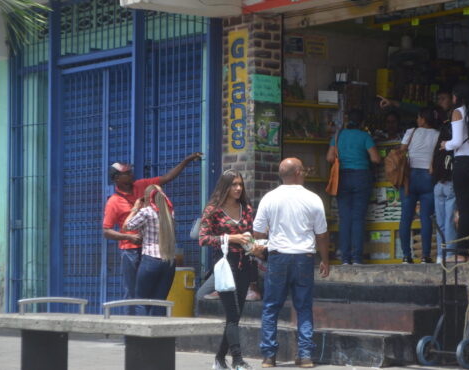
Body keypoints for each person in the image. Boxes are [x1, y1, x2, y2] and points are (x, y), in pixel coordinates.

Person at [103, 153, 201, 315]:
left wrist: (186, 161)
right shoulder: (113, 201)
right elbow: (106, 231)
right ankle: (132, 333)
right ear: (116, 178)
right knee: (134, 294)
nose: (131, 174)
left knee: (155, 295)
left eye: (130, 171)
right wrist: (129, 237)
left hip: (151, 252)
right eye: (126, 173)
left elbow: (167, 178)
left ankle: (153, 332)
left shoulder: (142, 186)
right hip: (131, 251)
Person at [254, 158, 330, 368]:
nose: (305, 172)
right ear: (297, 172)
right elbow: (321, 235)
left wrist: (261, 253)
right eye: (303, 169)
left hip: (278, 256)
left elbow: (258, 232)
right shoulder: (313, 198)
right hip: (304, 257)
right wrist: (325, 260)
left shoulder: (269, 198)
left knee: (271, 307)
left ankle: (269, 357)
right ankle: (305, 356)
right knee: (304, 307)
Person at [199, 169, 264, 370]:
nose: (237, 188)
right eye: (234, 184)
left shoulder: (246, 208)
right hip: (226, 266)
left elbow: (251, 235)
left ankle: (219, 359)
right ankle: (237, 360)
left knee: (234, 316)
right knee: (233, 313)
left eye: (240, 184)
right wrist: (231, 238)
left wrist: (256, 246)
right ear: (225, 187)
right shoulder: (213, 210)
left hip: (245, 265)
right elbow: (203, 239)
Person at [326, 109, 381, 265]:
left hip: (342, 177)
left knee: (345, 218)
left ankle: (345, 259)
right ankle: (357, 258)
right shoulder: (365, 136)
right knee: (358, 218)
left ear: (347, 120)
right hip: (361, 177)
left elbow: (329, 157)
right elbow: (376, 159)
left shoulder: (338, 136)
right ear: (362, 123)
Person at [123, 185, 176, 316]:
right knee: (160, 301)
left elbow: (126, 226)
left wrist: (135, 208)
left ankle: (142, 336)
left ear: (147, 197)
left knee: (142, 300)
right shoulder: (170, 212)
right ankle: (160, 335)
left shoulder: (146, 212)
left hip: (150, 260)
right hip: (169, 262)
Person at [399, 108, 439, 264]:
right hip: (428, 176)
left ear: (423, 119)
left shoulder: (411, 132)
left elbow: (402, 151)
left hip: (410, 177)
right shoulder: (437, 134)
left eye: (418, 117)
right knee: (426, 218)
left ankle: (406, 256)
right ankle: (425, 256)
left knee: (406, 217)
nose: (417, 120)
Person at [441, 83, 469, 255]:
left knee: (464, 208)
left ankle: (462, 251)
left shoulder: (458, 112)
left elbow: (455, 142)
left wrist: (444, 144)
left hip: (462, 163)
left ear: (456, 97)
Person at [431, 91, 460, 263]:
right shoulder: (446, 131)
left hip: (441, 182)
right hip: (446, 181)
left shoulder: (443, 133)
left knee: (442, 221)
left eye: (443, 97)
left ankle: (443, 255)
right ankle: (447, 254)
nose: (440, 101)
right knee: (447, 220)